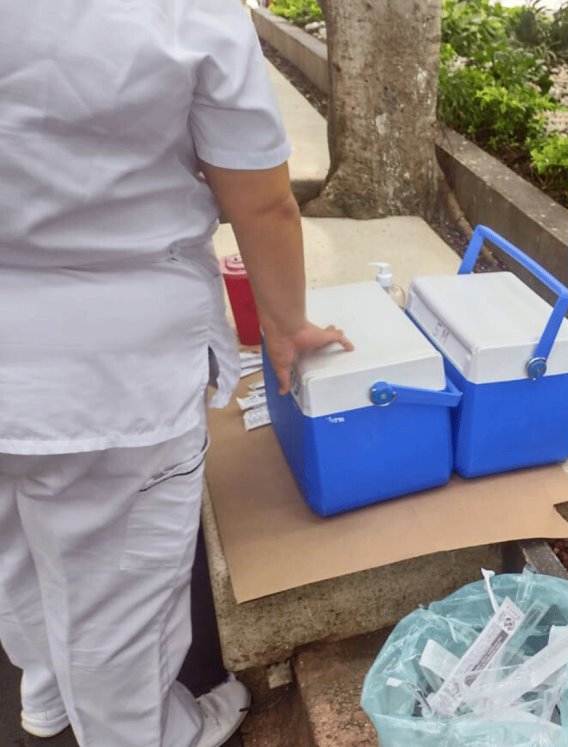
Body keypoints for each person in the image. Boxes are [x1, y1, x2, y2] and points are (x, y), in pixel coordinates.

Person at [0, 3, 352, 746]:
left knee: (13, 546)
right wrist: (285, 327)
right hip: (110, 374)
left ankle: (45, 693)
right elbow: (261, 200)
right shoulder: (185, 9)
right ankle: (151, 733)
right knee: (115, 602)